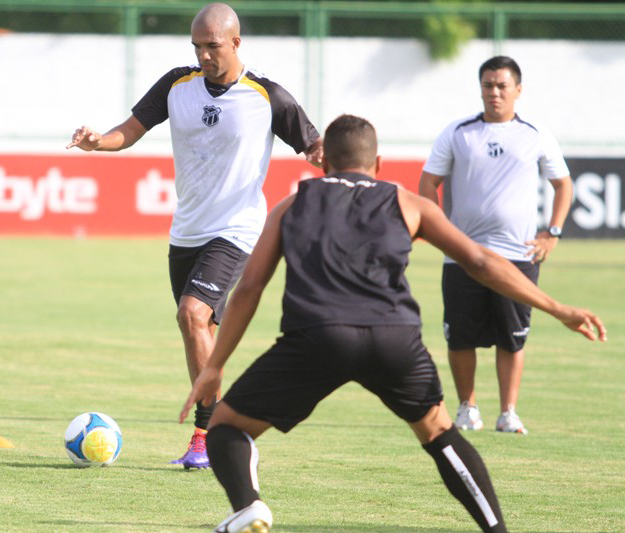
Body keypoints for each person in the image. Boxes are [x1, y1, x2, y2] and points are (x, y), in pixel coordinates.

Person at [180, 115, 605, 533]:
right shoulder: (407, 202)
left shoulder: (292, 204)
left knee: (227, 427)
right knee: (440, 434)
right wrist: (557, 308)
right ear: (378, 164)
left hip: (316, 338)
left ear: (324, 163)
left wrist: (215, 364)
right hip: (394, 340)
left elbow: (251, 287)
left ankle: (249, 507)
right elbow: (478, 261)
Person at [67, 2, 322, 468]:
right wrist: (96, 141)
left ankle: (211, 435)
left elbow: (314, 144)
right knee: (199, 331)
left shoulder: (267, 96)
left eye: (213, 46)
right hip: (186, 233)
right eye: (197, 46)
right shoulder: (176, 85)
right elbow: (130, 129)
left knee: (192, 314)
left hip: (237, 230)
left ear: (236, 42)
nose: (204, 55)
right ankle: (225, 434)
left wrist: (327, 157)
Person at [418, 56, 574, 434]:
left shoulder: (536, 133)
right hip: (463, 256)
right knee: (460, 336)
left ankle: (508, 412)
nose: (495, 92)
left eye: (502, 85)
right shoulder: (458, 132)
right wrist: (443, 233)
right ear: (481, 89)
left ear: (518, 90)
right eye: (488, 85)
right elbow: (427, 184)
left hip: (518, 255)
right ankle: (467, 408)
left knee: (512, 336)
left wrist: (550, 233)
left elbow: (563, 184)